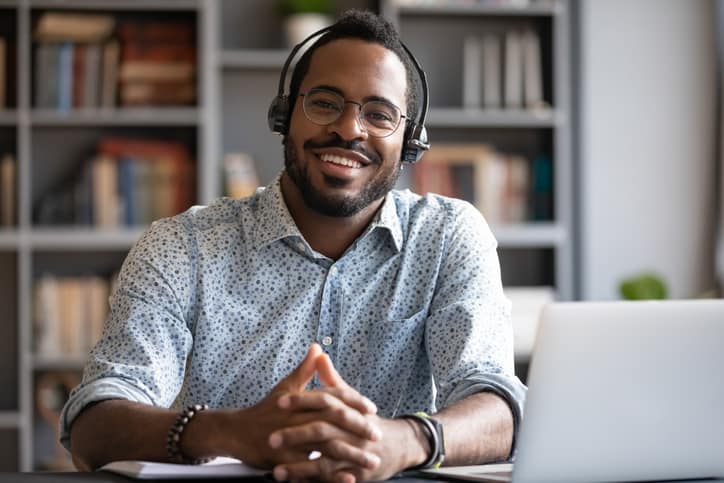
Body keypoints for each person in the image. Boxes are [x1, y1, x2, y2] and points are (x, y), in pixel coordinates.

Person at [61, 10, 526, 483]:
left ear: (410, 140)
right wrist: (231, 433)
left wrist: (403, 441)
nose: (350, 128)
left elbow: (501, 409)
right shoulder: (181, 247)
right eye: (325, 103)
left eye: (379, 114)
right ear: (284, 116)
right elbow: (94, 424)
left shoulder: (448, 237)